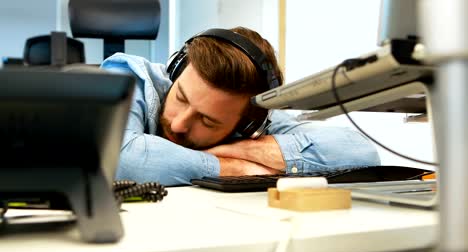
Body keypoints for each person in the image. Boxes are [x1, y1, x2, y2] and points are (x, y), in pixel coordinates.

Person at [101, 26, 380, 186]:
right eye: (181, 98)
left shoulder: (253, 124)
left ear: (247, 125)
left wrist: (245, 150)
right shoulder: (127, 76)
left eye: (208, 121)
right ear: (176, 70)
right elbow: (120, 159)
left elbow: (360, 152)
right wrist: (234, 168)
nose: (179, 124)